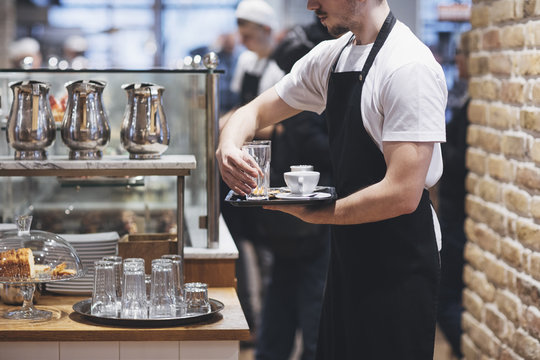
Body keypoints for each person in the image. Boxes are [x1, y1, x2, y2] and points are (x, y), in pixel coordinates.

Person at [216, 0, 447, 359]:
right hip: (347, 251)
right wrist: (228, 144)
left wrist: (314, 213)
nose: (310, 5)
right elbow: (255, 110)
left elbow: (403, 193)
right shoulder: (333, 56)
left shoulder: (408, 66)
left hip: (399, 262)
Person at [253, 18, 334, 360]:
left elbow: (326, 152)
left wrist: (291, 126)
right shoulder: (301, 103)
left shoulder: (319, 106)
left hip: (315, 223)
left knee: (312, 318)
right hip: (290, 224)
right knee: (281, 320)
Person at [218, 0, 284, 342]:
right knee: (243, 245)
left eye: (249, 36)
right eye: (241, 35)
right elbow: (241, 108)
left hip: (268, 165)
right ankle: (251, 319)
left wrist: (241, 129)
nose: (243, 42)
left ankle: (266, 323)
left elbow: (283, 126)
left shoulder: (280, 68)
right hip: (241, 164)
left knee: (268, 250)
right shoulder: (246, 60)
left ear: (268, 32)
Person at [437, 35, 470, 358]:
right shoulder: (464, 98)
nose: (456, 59)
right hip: (454, 212)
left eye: (459, 53)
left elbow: (462, 160)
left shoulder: (475, 106)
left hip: (461, 215)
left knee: (444, 297)